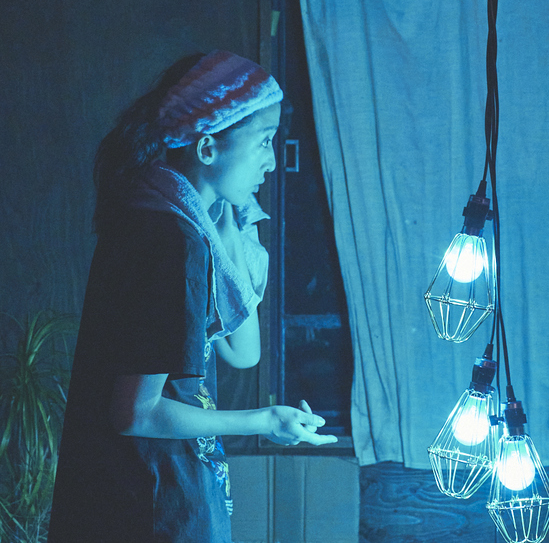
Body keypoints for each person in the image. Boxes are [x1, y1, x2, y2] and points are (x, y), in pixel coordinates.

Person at [49, 51, 336, 543]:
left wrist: (228, 222)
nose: (271, 161)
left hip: (169, 492)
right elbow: (135, 412)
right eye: (263, 141)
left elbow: (243, 352)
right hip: (151, 503)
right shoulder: (168, 240)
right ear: (207, 148)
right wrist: (265, 419)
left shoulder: (182, 226)